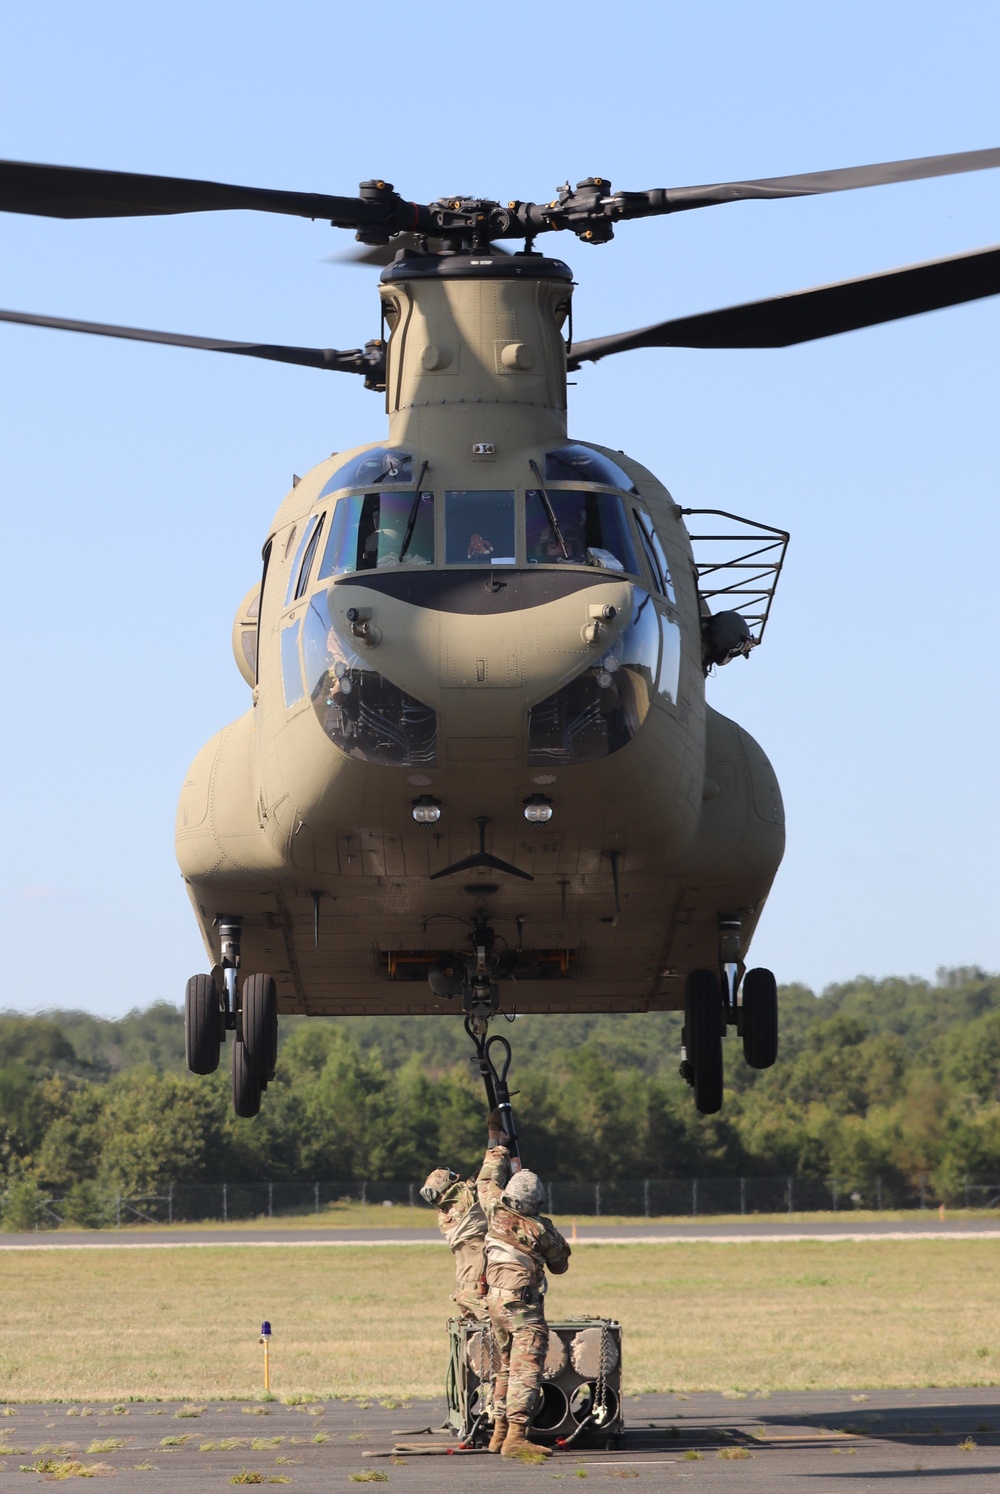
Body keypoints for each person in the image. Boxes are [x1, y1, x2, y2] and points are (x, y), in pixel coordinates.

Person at [476, 1112, 571, 1459]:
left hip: (495, 1305)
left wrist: (494, 1141)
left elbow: (485, 1181)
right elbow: (560, 1265)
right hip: (523, 1308)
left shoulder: (492, 1209)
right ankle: (517, 1435)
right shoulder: (541, 1230)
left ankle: (498, 1433)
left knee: (504, 1366)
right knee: (525, 1370)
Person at [419, 1167, 488, 1322]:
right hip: (478, 1279)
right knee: (491, 1322)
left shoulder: (444, 1215)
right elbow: (485, 1176)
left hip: (464, 1281)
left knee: (472, 1321)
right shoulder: (464, 1196)